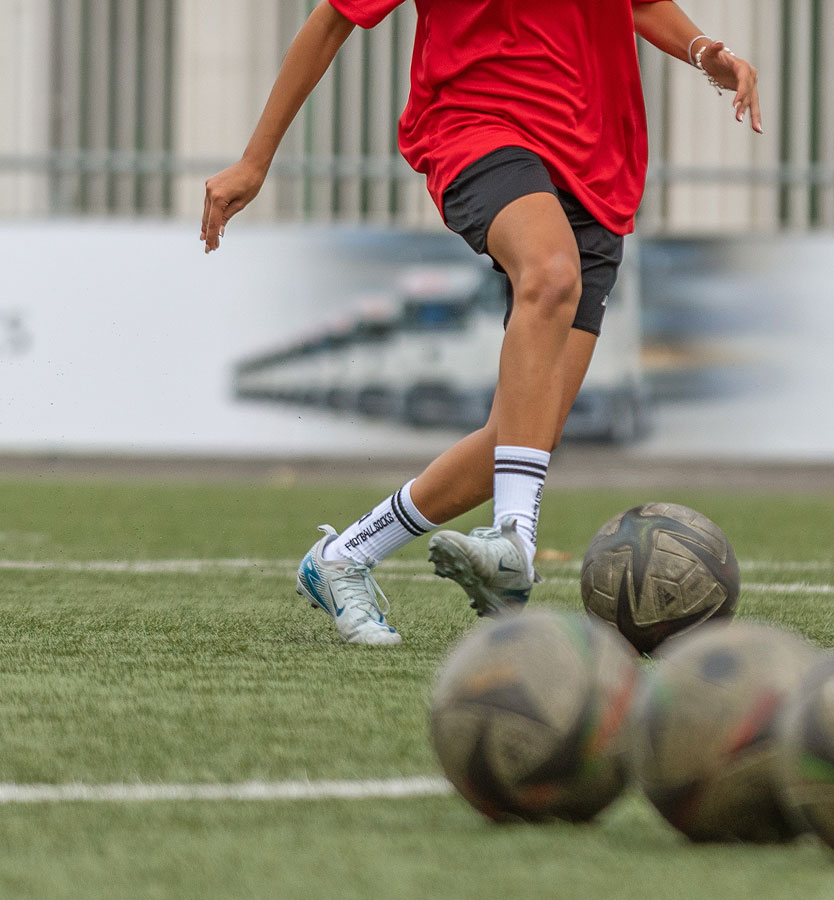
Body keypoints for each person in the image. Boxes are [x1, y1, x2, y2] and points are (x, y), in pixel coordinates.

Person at [201, 0, 761, 645]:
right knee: (551, 277)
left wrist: (701, 51)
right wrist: (255, 160)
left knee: (525, 430)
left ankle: (343, 557)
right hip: (475, 129)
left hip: (598, 162)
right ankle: (514, 543)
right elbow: (330, 20)